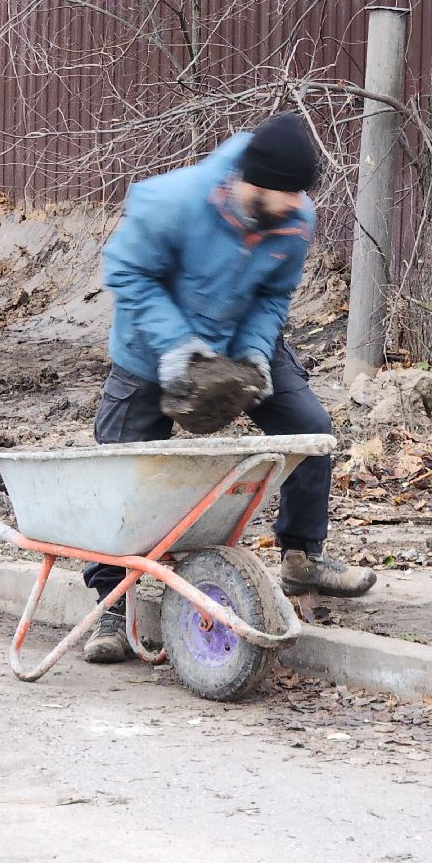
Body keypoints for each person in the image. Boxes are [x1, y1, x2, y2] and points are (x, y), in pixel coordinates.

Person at [82, 112, 376, 664]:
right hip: (151, 351)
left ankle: (301, 556)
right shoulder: (171, 203)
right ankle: (112, 605)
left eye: (299, 195)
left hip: (240, 347)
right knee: (120, 467)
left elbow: (271, 297)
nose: (296, 205)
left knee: (309, 432)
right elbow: (126, 270)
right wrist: (174, 345)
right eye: (283, 193)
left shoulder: (294, 216)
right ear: (251, 182)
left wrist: (257, 354)